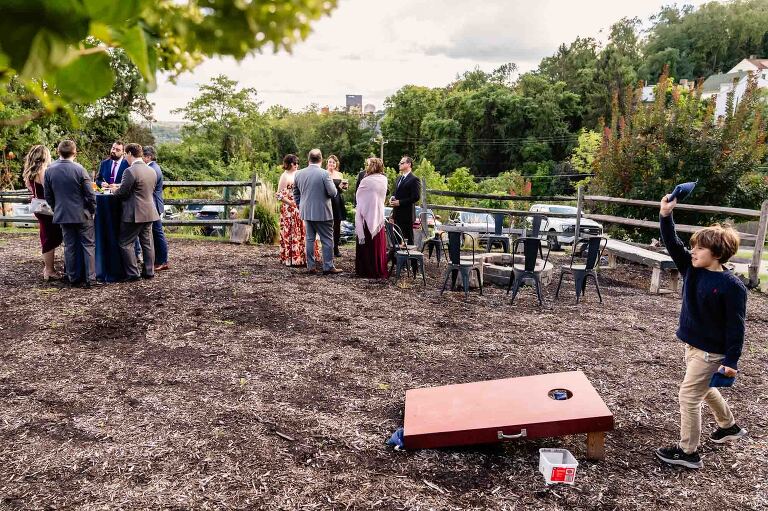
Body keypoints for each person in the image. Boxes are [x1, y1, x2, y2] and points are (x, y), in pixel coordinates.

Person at [654, 195, 748, 469]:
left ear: (717, 254)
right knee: (703, 390)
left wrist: (731, 362)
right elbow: (673, 243)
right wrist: (665, 215)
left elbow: (736, 327)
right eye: (693, 247)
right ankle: (728, 427)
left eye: (699, 249)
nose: (692, 252)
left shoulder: (732, 287)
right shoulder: (692, 269)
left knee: (688, 395)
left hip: (711, 353)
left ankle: (688, 452)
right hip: (693, 346)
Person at [43, 140, 97, 287]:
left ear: (58, 152)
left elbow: (48, 196)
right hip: (82, 214)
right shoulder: (80, 169)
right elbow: (90, 195)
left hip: (63, 214)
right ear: (75, 152)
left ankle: (72, 278)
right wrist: (91, 211)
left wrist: (57, 208)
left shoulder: (49, 170)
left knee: (69, 246)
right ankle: (90, 279)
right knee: (88, 246)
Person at [112, 143, 160, 281]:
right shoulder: (151, 170)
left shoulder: (130, 171)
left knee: (125, 243)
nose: (126, 157)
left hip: (134, 213)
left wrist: (116, 190)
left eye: (126, 154)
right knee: (147, 242)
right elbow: (143, 189)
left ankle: (133, 273)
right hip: (149, 211)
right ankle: (149, 271)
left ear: (129, 154)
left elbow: (123, 193)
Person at [293, 148, 342, 275]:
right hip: (323, 212)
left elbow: (296, 193)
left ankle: (311, 266)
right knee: (327, 239)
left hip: (306, 212)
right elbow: (332, 192)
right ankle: (328, 266)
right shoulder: (324, 174)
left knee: (309, 239)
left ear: (308, 159)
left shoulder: (298, 174)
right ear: (321, 159)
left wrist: (300, 206)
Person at [23, 144, 63, 281]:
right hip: (47, 209)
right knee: (50, 238)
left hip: (39, 208)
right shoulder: (43, 171)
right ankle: (50, 270)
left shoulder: (30, 172)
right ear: (44, 156)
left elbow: (32, 190)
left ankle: (48, 268)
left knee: (46, 236)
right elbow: (49, 190)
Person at [276, 154, 317, 266]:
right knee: (291, 231)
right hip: (289, 208)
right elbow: (278, 195)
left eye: (297, 163)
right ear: (289, 164)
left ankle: (304, 257)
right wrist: (290, 202)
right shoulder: (284, 176)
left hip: (300, 205)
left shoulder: (299, 174)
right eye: (294, 163)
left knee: (302, 230)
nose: (296, 165)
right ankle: (291, 257)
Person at [354, 157, 388, 279]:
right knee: (377, 245)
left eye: (367, 164)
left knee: (367, 245)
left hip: (366, 217)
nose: (366, 166)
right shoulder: (384, 179)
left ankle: (365, 270)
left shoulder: (366, 180)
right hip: (378, 215)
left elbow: (359, 196)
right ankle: (378, 268)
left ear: (372, 166)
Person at [142, 146, 169, 271]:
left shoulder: (153, 169)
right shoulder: (153, 168)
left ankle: (162, 261)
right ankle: (159, 260)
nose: (141, 158)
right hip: (154, 204)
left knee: (158, 234)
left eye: (142, 156)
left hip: (154, 205)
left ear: (148, 157)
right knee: (155, 233)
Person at [389, 156, 420, 244]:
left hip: (407, 215)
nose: (399, 164)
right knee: (396, 239)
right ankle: (396, 257)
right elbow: (397, 193)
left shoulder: (414, 179)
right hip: (396, 214)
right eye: (400, 163)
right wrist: (393, 197)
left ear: (409, 164)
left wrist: (400, 202)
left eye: (402, 163)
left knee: (409, 240)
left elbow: (416, 197)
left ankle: (411, 257)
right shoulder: (399, 178)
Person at [327, 154, 349, 258]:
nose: (331, 164)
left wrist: (344, 187)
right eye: (330, 162)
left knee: (337, 225)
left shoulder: (339, 174)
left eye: (333, 162)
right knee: (328, 225)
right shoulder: (324, 173)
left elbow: (343, 190)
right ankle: (328, 247)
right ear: (327, 163)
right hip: (327, 200)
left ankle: (336, 247)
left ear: (336, 164)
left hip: (337, 200)